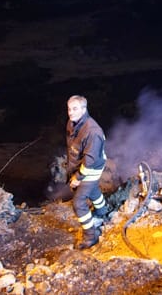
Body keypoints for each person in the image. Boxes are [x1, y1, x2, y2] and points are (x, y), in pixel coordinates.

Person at [65, 95, 108, 250]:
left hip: (92, 168)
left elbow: (90, 161)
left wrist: (77, 177)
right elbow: (74, 149)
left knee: (78, 203)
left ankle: (91, 237)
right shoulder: (72, 124)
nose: (71, 112)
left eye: (75, 108)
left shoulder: (93, 131)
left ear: (84, 109)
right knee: (93, 189)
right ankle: (103, 211)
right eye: (69, 109)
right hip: (83, 166)